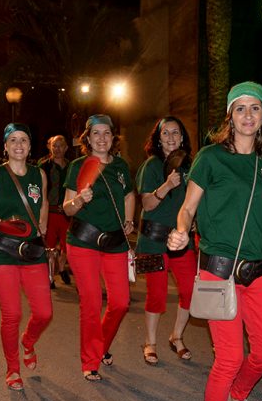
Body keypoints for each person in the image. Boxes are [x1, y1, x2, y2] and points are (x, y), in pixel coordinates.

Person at [168, 81, 262, 401]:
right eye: (240, 109)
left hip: (257, 273)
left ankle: (239, 396)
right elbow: (188, 207)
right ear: (230, 117)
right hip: (217, 270)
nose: (248, 115)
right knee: (230, 357)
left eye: (255, 108)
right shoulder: (211, 157)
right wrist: (182, 230)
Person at [0, 123, 52, 391]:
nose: (18, 144)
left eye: (23, 140)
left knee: (44, 313)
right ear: (5, 147)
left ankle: (28, 342)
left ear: (30, 146)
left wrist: (42, 223)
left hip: (33, 251)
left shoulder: (39, 174)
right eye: (13, 140)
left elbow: (42, 202)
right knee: (12, 313)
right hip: (3, 252)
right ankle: (12, 368)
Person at [63, 114, 134, 382]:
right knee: (91, 304)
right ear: (88, 138)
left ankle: (100, 345)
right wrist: (81, 199)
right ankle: (90, 361)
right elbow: (68, 208)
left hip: (114, 242)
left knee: (120, 303)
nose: (102, 138)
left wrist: (129, 220)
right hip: (83, 242)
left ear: (113, 137)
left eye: (107, 133)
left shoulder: (121, 166)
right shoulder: (78, 166)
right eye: (96, 134)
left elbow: (129, 195)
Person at [135, 116, 196, 365]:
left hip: (182, 241)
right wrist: (167, 185)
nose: (171, 138)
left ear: (182, 137)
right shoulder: (151, 166)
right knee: (156, 295)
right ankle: (150, 343)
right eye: (165, 134)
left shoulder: (190, 167)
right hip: (152, 240)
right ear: (158, 139)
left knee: (191, 293)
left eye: (175, 133)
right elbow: (147, 204)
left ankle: (177, 337)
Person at [38, 135, 71, 287]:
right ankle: (50, 276)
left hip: (67, 214)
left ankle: (62, 267)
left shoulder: (72, 166)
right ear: (50, 148)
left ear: (66, 148)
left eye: (60, 146)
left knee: (67, 246)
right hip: (50, 212)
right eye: (54, 146)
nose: (57, 149)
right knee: (50, 246)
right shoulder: (44, 166)